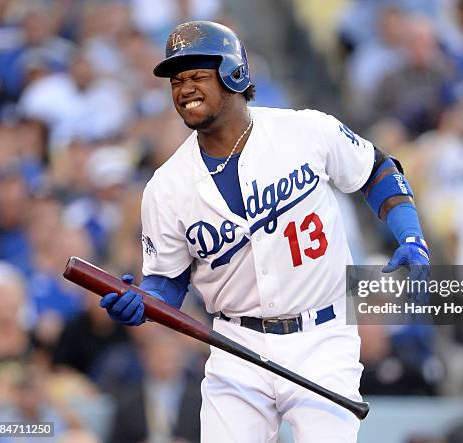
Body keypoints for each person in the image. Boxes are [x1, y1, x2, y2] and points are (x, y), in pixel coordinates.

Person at [99, 21, 429, 442]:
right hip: (235, 345)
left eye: (198, 75)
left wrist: (410, 234)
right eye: (177, 80)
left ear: (235, 73)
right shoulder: (165, 187)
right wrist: (143, 302)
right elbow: (168, 281)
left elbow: (376, 169)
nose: (184, 89)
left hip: (322, 336)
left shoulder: (304, 130)